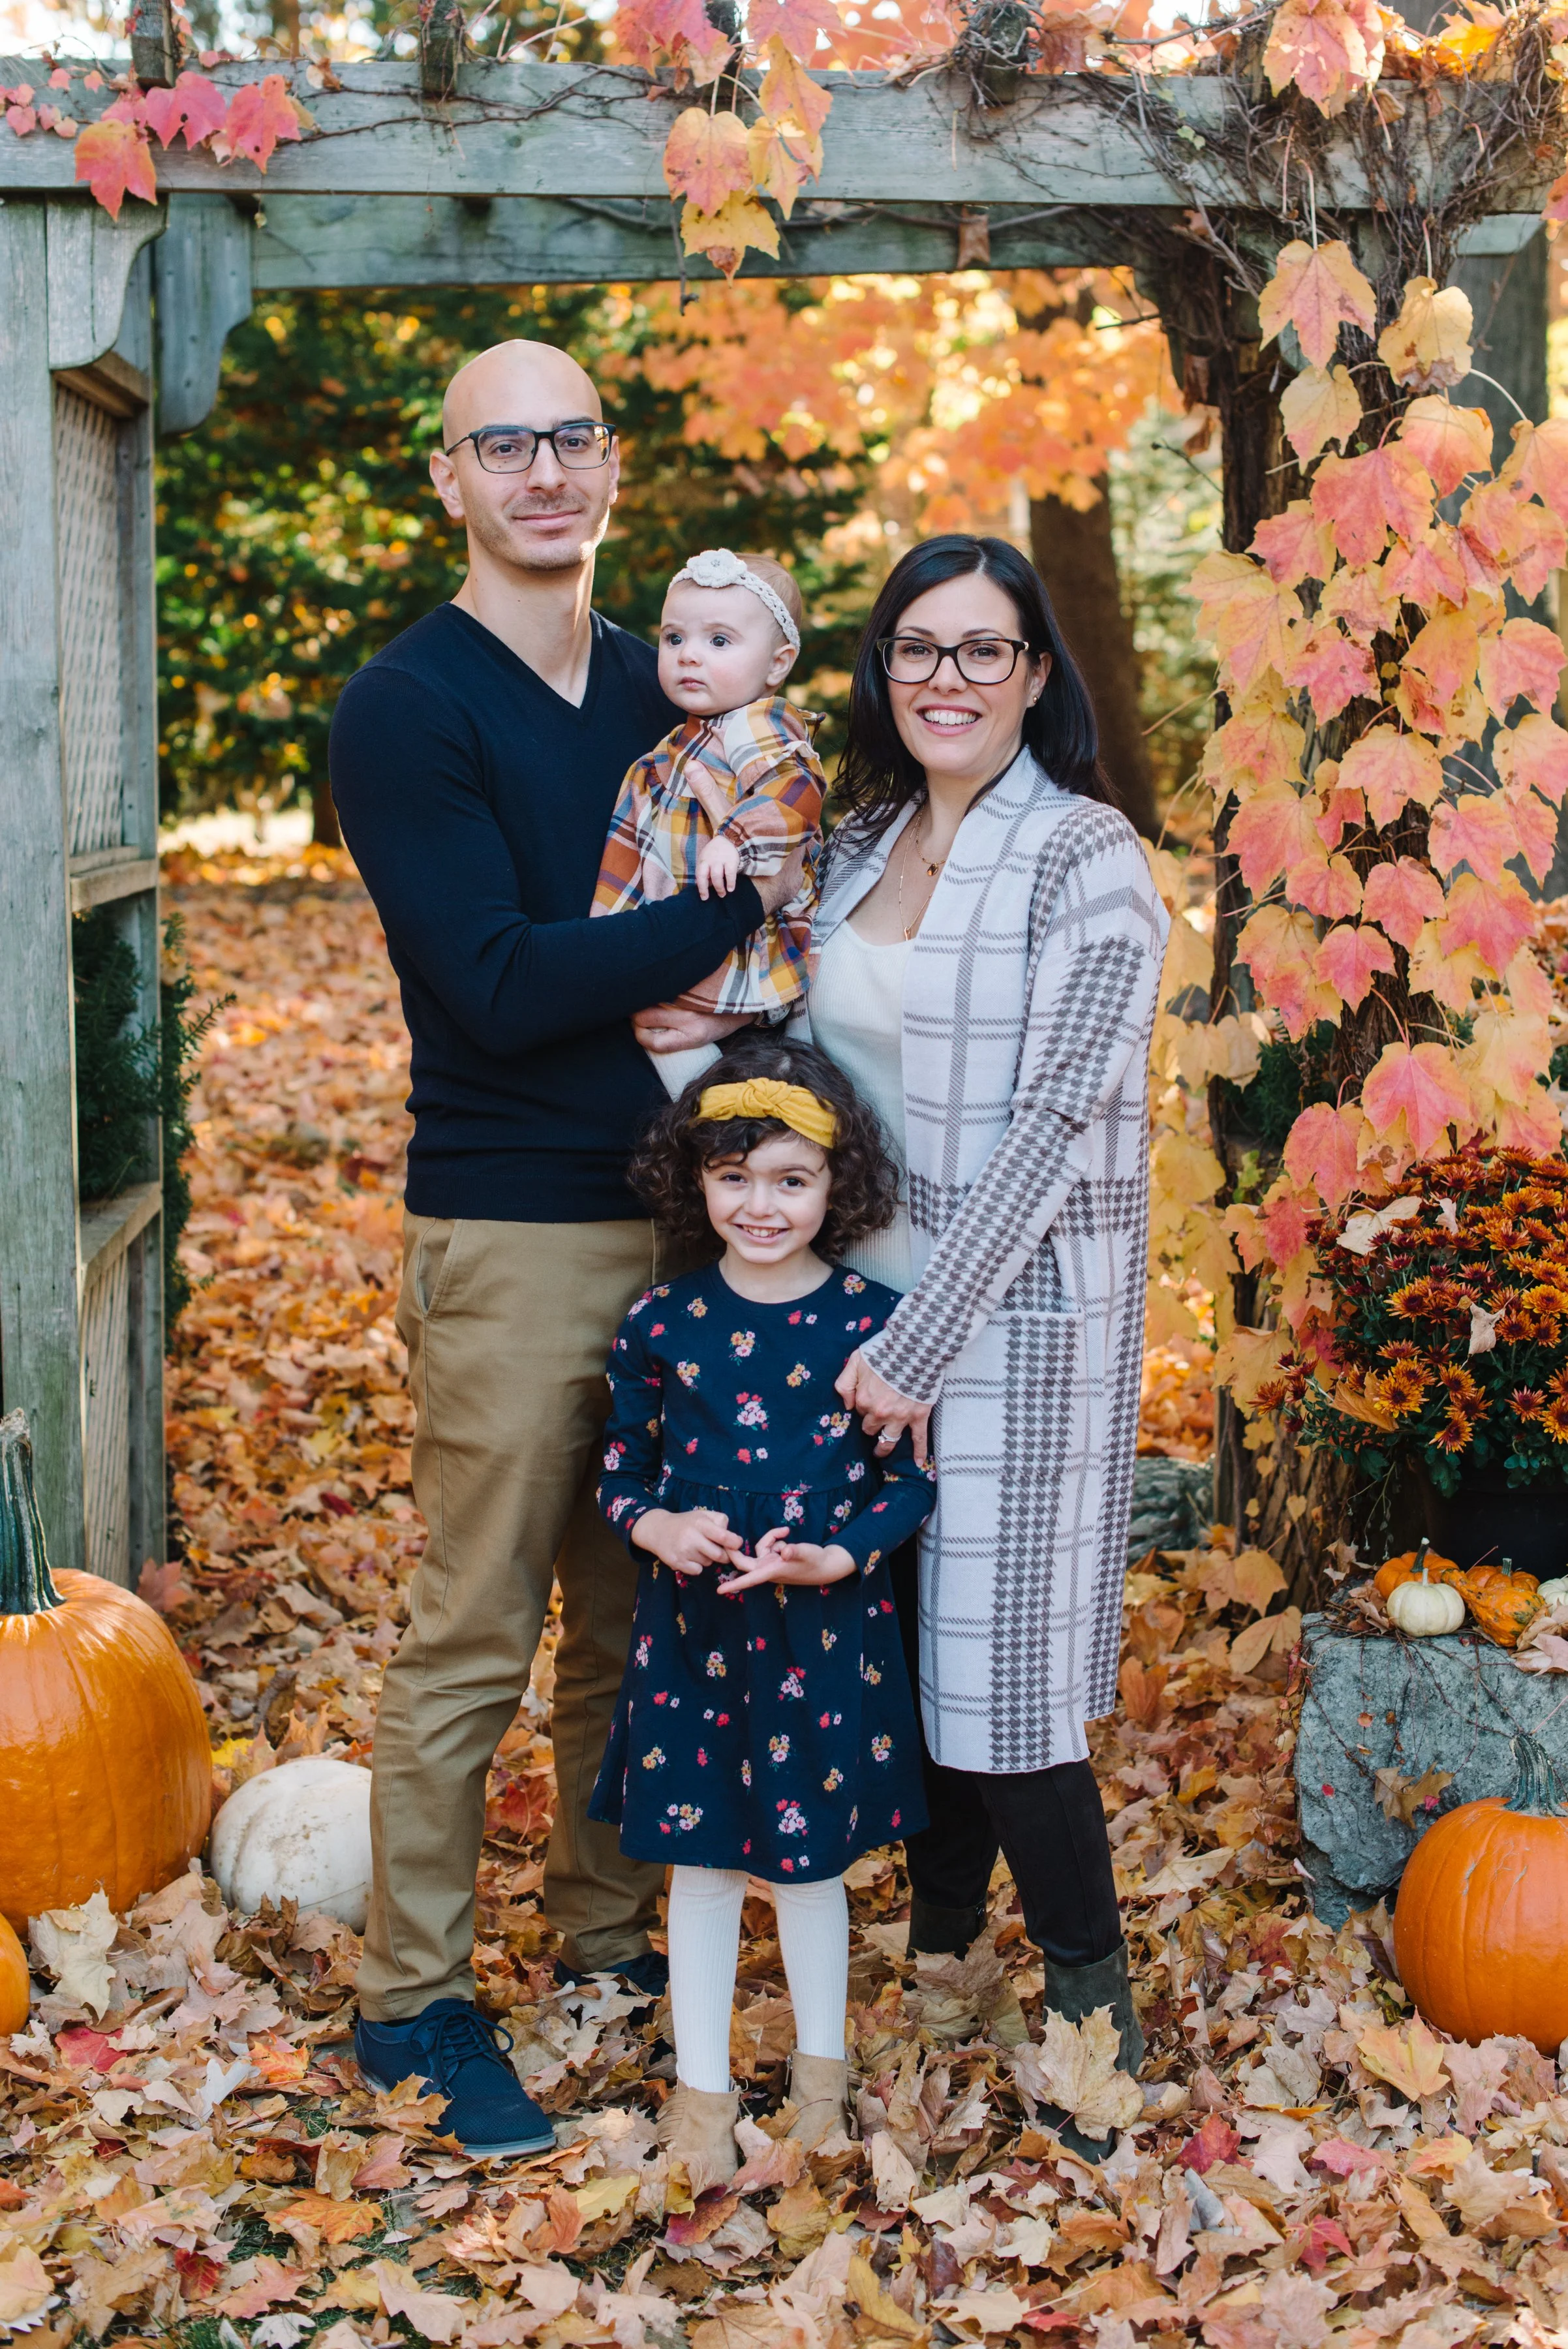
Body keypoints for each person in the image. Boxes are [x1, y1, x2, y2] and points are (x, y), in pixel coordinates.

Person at [329, 339, 805, 2158]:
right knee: (478, 1625)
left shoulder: (668, 682)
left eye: (573, 441)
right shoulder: (409, 706)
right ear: (446, 477)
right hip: (515, 1225)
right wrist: (712, 922)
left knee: (641, 1614)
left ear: (610, 466)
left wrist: (726, 935)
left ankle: (606, 1949)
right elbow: (501, 980)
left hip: (693, 1222)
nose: (544, 472)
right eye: (500, 445)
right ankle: (415, 2005)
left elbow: (790, 888)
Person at [653, 534, 1168, 2159]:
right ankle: (946, 1953)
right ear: (881, 674)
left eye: (983, 649)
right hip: (845, 1325)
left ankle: (1094, 2004)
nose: (947, 677)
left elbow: (1052, 1122)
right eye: (916, 650)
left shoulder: (1089, 860)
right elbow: (797, 1044)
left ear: (1034, 673)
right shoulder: (858, 836)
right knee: (889, 1633)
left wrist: (927, 1348)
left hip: (1009, 1331)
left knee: (999, 1686)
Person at [587, 1034, 936, 2184]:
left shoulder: (872, 1324)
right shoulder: (660, 1323)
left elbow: (908, 1485)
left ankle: (821, 2086)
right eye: (733, 1176)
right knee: (698, 1865)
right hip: (692, 1635)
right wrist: (658, 1528)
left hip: (817, 1636)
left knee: (805, 1869)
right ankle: (700, 2093)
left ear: (839, 1186)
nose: (760, 1203)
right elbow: (616, 1473)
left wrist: (839, 1558)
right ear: (695, 1179)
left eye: (791, 1179)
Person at [592, 547, 824, 1099]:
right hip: (686, 950)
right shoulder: (667, 753)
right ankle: (713, 1138)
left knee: (781, 1074)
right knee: (675, 1056)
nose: (688, 656)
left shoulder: (754, 723)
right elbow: (627, 846)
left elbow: (795, 788)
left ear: (777, 663)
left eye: (718, 641)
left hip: (747, 944)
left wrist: (735, 838)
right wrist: (605, 937)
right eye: (674, 639)